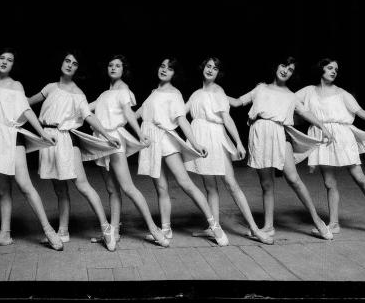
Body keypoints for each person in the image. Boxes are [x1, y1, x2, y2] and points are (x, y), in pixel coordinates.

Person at [229, 56, 335, 240]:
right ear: (276, 66)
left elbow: (306, 112)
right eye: (284, 65)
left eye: (291, 69)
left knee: (293, 179)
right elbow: (237, 102)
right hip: (259, 134)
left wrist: (323, 127)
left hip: (280, 133)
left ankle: (318, 222)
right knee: (266, 184)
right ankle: (268, 227)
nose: (286, 70)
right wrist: (214, 93)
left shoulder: (291, 96)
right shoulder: (260, 88)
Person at [28, 51, 122, 251]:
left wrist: (107, 135)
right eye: (67, 61)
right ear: (61, 63)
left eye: (75, 63)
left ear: (78, 69)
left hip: (66, 139)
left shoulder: (78, 94)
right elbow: (27, 103)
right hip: (47, 138)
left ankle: (107, 229)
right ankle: (63, 231)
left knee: (82, 185)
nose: (70, 65)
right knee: (60, 189)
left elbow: (89, 117)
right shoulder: (50, 87)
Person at [295, 58, 365, 237]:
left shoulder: (342, 93)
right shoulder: (308, 91)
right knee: (329, 183)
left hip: (342, 136)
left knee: (359, 177)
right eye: (330, 68)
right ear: (321, 69)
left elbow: (361, 112)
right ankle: (334, 224)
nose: (334, 71)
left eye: (336, 69)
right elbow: (288, 101)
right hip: (321, 135)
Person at [0, 48, 63, 251]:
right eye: (1, 58)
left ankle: (48, 230)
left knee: (25, 185)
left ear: (13, 65)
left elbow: (26, 109)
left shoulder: (16, 85)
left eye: (9, 60)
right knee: (2, 190)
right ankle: (5, 234)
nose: (5, 62)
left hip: (12, 139)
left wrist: (42, 133)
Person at [136, 57, 230, 246]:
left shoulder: (175, 93)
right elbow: (137, 114)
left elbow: (182, 120)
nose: (164, 70)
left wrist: (195, 143)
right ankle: (166, 229)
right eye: (162, 66)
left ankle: (214, 225)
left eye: (170, 68)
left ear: (174, 74)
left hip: (166, 139)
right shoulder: (154, 92)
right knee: (160, 187)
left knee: (185, 183)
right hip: (151, 141)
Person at [185, 57, 273, 245]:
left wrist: (238, 143)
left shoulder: (218, 91)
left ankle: (255, 229)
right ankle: (213, 226)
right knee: (210, 187)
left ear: (218, 73)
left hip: (216, 137)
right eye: (208, 66)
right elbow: (180, 114)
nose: (210, 70)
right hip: (200, 138)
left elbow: (227, 118)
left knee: (231, 183)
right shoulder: (195, 94)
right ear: (203, 68)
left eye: (215, 68)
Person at [88, 55, 170, 246]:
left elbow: (128, 114)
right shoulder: (103, 94)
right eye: (110, 65)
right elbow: (84, 110)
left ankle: (154, 229)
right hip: (101, 141)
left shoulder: (123, 90)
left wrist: (140, 134)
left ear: (124, 70)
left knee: (127, 187)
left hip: (115, 140)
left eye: (118, 65)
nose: (114, 68)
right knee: (111, 190)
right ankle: (114, 232)